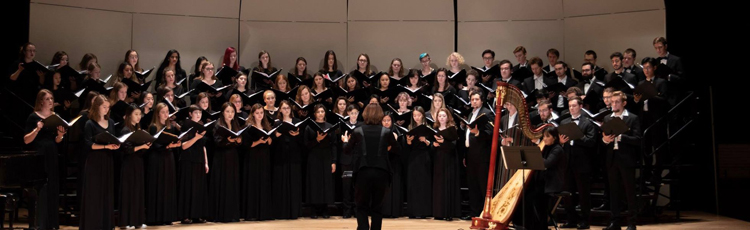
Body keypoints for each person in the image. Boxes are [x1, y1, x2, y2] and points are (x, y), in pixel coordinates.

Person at [341, 103, 401, 230]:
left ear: (365, 114)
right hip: (381, 172)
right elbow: (397, 149)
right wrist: (390, 144)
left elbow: (347, 150)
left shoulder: (357, 131)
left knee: (361, 206)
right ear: (379, 115)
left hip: (363, 172)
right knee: (377, 207)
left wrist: (345, 141)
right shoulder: (386, 131)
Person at [23, 89, 66, 229]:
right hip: (39, 155)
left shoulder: (55, 116)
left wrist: (60, 135)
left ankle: (52, 223)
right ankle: (40, 223)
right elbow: (26, 140)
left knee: (52, 186)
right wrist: (37, 129)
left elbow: (57, 140)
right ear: (41, 101)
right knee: (42, 188)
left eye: (51, 99)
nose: (50, 101)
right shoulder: (33, 117)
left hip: (52, 153)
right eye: (47, 99)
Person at [602, 91, 642, 230]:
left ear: (624, 103)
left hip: (626, 159)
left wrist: (621, 137)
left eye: (617, 102)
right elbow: (603, 139)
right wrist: (605, 140)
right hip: (612, 158)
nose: (614, 104)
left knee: (629, 191)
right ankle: (615, 221)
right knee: (614, 191)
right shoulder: (607, 119)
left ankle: (632, 222)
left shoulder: (632, 118)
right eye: (612, 102)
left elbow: (638, 139)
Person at [80, 95, 119, 230]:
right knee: (94, 193)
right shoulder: (89, 123)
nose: (106, 110)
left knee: (106, 192)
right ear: (97, 107)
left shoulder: (112, 122)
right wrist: (105, 147)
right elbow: (88, 144)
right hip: (94, 162)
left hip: (107, 160)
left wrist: (114, 145)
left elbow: (112, 139)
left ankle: (106, 225)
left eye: (108, 107)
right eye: (104, 107)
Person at [559, 97, 597, 229]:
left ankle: (585, 221)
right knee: (568, 193)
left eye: (574, 106)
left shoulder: (587, 123)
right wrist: (561, 142)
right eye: (570, 106)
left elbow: (591, 142)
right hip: (567, 163)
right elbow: (560, 141)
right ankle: (571, 220)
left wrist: (578, 137)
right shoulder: (564, 122)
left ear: (581, 107)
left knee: (583, 194)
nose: (571, 108)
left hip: (582, 163)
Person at [461, 91, 495, 220]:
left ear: (481, 100)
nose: (474, 101)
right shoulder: (471, 113)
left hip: (482, 155)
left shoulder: (487, 113)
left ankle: (484, 212)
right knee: (473, 185)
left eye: (476, 99)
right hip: (471, 154)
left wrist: (478, 133)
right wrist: (465, 154)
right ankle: (474, 212)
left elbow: (491, 133)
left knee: (482, 185)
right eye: (472, 99)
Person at [146, 103, 181, 225]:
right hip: (157, 159)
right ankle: (156, 217)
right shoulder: (153, 127)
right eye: (163, 112)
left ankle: (167, 216)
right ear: (157, 114)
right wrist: (167, 145)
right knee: (158, 186)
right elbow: (154, 145)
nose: (166, 114)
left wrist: (175, 145)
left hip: (168, 158)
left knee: (168, 186)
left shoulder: (170, 127)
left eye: (167, 112)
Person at [118, 105, 151, 229]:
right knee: (129, 191)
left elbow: (139, 150)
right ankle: (125, 221)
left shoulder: (138, 129)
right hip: (129, 164)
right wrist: (142, 147)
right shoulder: (126, 130)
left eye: (139, 114)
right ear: (130, 115)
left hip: (138, 163)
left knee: (137, 191)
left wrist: (146, 144)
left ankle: (136, 220)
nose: (139, 117)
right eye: (136, 114)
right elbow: (126, 149)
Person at [209, 103, 242, 222]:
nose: (230, 114)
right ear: (223, 112)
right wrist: (227, 141)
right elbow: (217, 142)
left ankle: (232, 213)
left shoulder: (235, 124)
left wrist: (238, 141)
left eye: (232, 112)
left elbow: (239, 143)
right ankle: (221, 214)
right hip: (221, 158)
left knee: (232, 184)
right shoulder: (218, 125)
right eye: (228, 111)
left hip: (232, 157)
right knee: (222, 184)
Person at [272, 100, 304, 219]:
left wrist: (297, 136)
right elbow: (272, 144)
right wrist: (276, 136)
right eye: (284, 108)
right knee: (281, 183)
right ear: (280, 110)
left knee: (294, 183)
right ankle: (281, 211)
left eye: (288, 108)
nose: (286, 110)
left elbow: (303, 143)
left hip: (294, 156)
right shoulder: (276, 123)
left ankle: (294, 211)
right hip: (281, 157)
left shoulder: (297, 122)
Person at [177, 105, 209, 224]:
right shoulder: (186, 126)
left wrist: (206, 162)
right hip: (188, 159)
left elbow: (203, 146)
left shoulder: (201, 126)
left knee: (198, 188)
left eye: (200, 113)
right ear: (190, 114)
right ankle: (186, 215)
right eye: (196, 112)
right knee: (188, 188)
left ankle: (198, 214)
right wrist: (196, 138)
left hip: (199, 159)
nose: (198, 115)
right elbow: (184, 146)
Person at [242, 103, 274, 221]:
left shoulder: (267, 127)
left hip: (264, 157)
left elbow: (270, 144)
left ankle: (263, 212)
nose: (260, 115)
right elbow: (246, 145)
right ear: (253, 114)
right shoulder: (249, 127)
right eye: (257, 113)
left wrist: (269, 139)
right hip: (252, 158)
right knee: (253, 183)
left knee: (263, 182)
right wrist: (259, 142)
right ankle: (252, 212)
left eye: (261, 113)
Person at [304, 104, 337, 219]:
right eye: (318, 112)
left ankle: (324, 209)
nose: (320, 114)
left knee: (326, 183)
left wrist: (334, 161)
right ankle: (314, 209)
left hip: (327, 156)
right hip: (314, 157)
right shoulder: (309, 127)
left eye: (322, 111)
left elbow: (334, 145)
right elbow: (306, 145)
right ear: (315, 114)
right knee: (314, 183)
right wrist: (317, 140)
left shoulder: (330, 126)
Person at [431, 108, 461, 221]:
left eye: (444, 116)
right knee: (439, 186)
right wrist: (433, 145)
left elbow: (453, 146)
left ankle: (449, 213)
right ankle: (439, 213)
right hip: (438, 159)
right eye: (440, 116)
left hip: (449, 160)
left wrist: (443, 143)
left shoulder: (451, 129)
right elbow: (432, 147)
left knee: (448, 184)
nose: (442, 118)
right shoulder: (435, 129)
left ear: (448, 117)